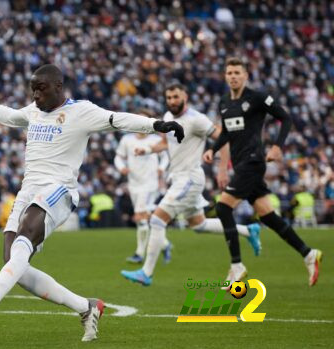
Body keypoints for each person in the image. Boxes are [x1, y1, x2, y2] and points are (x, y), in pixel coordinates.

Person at [0, 64, 185, 341]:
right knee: (14, 264)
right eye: (33, 89)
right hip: (28, 191)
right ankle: (86, 307)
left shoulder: (81, 112)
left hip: (59, 190)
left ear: (58, 86)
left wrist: (156, 125)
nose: (36, 95)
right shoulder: (33, 112)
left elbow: (118, 119)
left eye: (41, 88)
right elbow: (7, 115)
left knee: (26, 237)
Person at [121, 83, 261, 286]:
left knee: (157, 220)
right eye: (168, 97)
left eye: (175, 97)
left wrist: (222, 169)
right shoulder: (168, 118)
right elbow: (164, 143)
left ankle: (146, 272)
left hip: (189, 178)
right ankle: (249, 231)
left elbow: (225, 138)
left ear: (185, 96)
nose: (172, 101)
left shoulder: (197, 120)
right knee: (199, 225)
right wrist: (148, 150)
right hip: (178, 178)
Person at [203, 57, 322, 287]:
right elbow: (227, 132)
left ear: (245, 75)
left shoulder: (257, 97)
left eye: (238, 72)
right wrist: (213, 149)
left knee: (223, 207)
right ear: (225, 76)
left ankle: (237, 266)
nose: (234, 76)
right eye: (230, 73)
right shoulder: (224, 102)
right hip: (240, 165)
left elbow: (285, 117)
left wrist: (277, 146)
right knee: (268, 215)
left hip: (253, 162)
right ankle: (308, 254)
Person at [114, 110, 172, 264]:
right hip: (134, 183)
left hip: (150, 183)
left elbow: (165, 156)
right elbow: (118, 157)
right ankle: (165, 245)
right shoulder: (127, 140)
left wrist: (162, 167)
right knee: (146, 218)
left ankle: (139, 254)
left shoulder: (154, 139)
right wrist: (121, 168)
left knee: (140, 218)